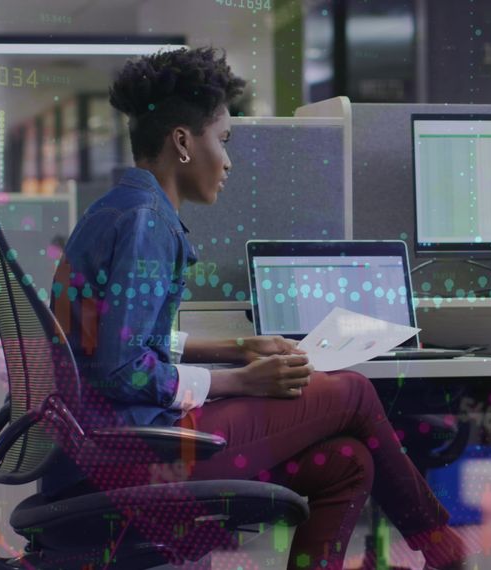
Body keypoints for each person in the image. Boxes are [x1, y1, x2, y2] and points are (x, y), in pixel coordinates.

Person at [46, 47, 465, 570]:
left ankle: (438, 546)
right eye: (222, 141)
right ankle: (442, 547)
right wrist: (240, 381)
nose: (228, 161)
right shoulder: (146, 223)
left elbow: (118, 340)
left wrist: (237, 347)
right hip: (138, 454)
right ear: (182, 141)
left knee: (347, 464)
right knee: (354, 391)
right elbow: (121, 369)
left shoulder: (121, 208)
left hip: (107, 442)